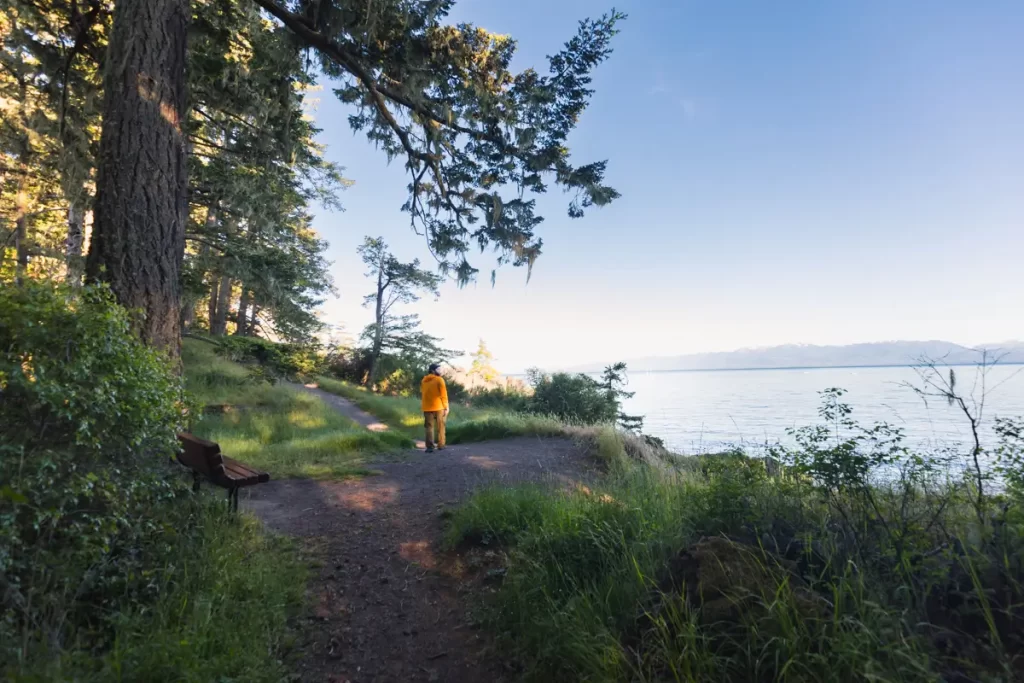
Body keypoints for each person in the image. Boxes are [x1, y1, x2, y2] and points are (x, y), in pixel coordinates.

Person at [421, 362, 449, 453]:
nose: (440, 371)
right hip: (439, 407)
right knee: (441, 426)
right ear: (433, 371)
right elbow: (443, 395)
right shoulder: (439, 380)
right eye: (438, 369)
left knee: (429, 427)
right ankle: (441, 445)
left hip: (427, 408)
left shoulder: (424, 380)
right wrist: (446, 407)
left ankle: (429, 447)